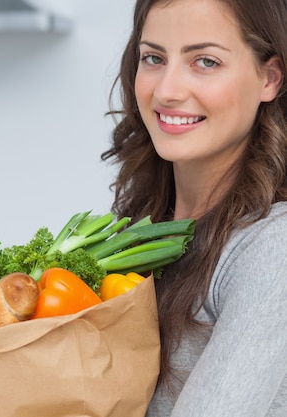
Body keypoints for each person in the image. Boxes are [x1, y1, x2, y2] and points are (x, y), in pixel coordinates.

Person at [102, 0, 287, 415]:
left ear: (269, 79)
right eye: (153, 58)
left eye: (205, 61)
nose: (167, 90)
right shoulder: (137, 232)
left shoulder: (273, 247)